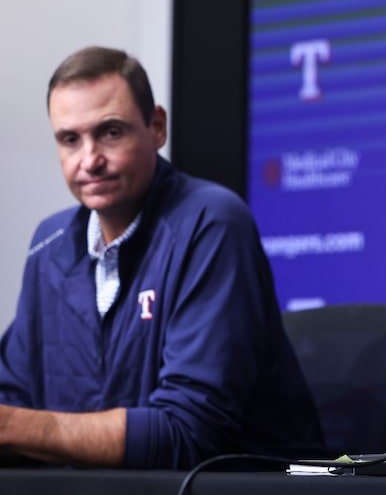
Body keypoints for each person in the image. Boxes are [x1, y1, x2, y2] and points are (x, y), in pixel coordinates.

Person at [0, 46, 323, 469]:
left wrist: (17, 429)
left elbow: (190, 433)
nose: (89, 160)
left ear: (156, 127)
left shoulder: (213, 223)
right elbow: (14, 397)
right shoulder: (51, 244)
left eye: (111, 132)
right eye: (70, 139)